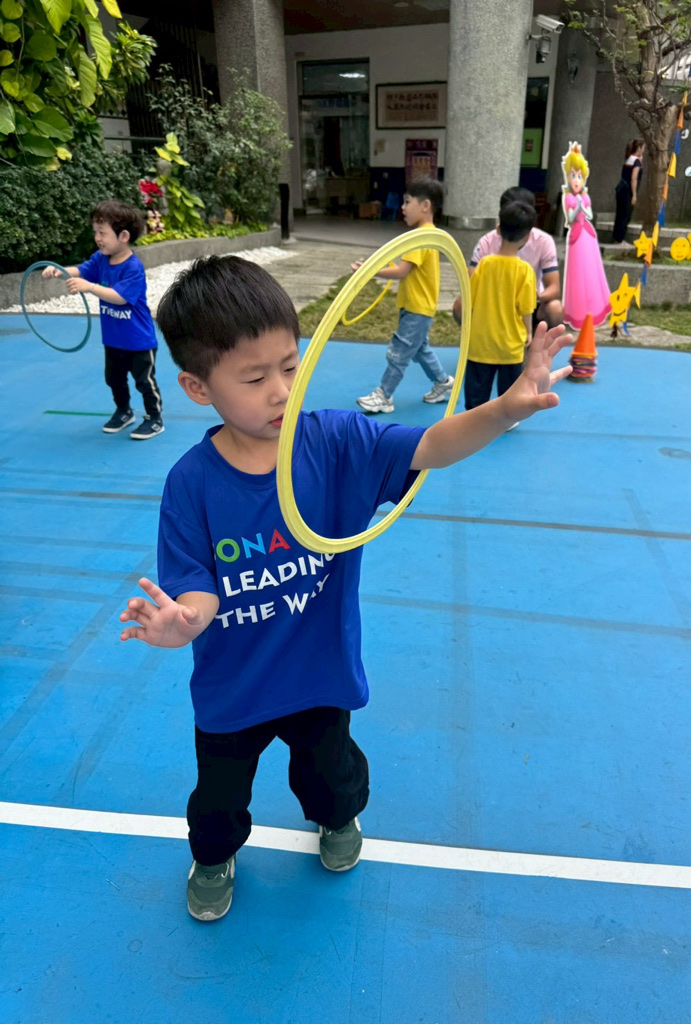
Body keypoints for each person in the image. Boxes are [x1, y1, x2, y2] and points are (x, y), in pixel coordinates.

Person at [117, 254, 572, 922]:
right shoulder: (191, 483)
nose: (281, 390)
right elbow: (197, 585)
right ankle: (213, 856)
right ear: (196, 387)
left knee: (330, 775)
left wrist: (504, 409)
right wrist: (184, 620)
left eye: (290, 365)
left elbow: (430, 445)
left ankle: (336, 818)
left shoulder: (334, 442)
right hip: (234, 687)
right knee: (218, 797)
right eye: (254, 377)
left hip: (317, 674)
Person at [42, 200, 163, 440]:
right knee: (114, 379)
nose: (97, 238)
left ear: (124, 236)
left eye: (102, 233)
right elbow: (82, 270)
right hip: (114, 339)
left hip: (138, 341)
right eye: (96, 232)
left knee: (144, 381)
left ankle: (154, 418)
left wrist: (89, 287)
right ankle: (124, 411)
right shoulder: (101, 259)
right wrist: (59, 271)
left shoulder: (133, 267)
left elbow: (119, 297)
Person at [355, 177, 453, 414]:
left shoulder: (420, 237)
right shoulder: (428, 234)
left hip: (417, 308)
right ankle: (442, 382)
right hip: (418, 306)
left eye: (408, 202)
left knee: (398, 353)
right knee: (419, 349)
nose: (403, 207)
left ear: (425, 206)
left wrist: (370, 270)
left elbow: (402, 271)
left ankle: (384, 395)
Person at [452, 201, 537, 415]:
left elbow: (470, 301)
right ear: (527, 236)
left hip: (480, 343)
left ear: (498, 229)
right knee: (510, 396)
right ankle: (506, 419)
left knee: (475, 397)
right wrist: (528, 331)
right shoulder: (524, 271)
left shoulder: (484, 264)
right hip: (510, 345)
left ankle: (474, 420)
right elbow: (526, 308)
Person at [462, 186, 562, 329]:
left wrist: (535, 296)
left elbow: (554, 288)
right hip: (493, 304)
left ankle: (542, 341)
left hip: (531, 303)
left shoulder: (543, 241)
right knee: (461, 305)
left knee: (555, 308)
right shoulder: (487, 241)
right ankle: (475, 333)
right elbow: (469, 283)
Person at [561, 142, 612, 331]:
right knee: (578, 273)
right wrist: (578, 208)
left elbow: (589, 215)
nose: (576, 180)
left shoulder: (585, 197)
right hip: (576, 236)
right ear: (568, 177)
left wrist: (583, 206)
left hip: (588, 236)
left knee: (592, 271)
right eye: (573, 175)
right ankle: (578, 312)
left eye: (579, 176)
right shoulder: (568, 198)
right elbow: (570, 218)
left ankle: (595, 308)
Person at [612, 139, 645, 245]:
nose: (644, 150)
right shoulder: (636, 162)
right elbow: (634, 178)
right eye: (643, 148)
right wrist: (634, 195)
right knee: (626, 215)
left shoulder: (629, 159)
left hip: (621, 189)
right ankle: (620, 239)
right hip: (628, 191)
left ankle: (616, 238)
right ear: (639, 148)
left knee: (619, 214)